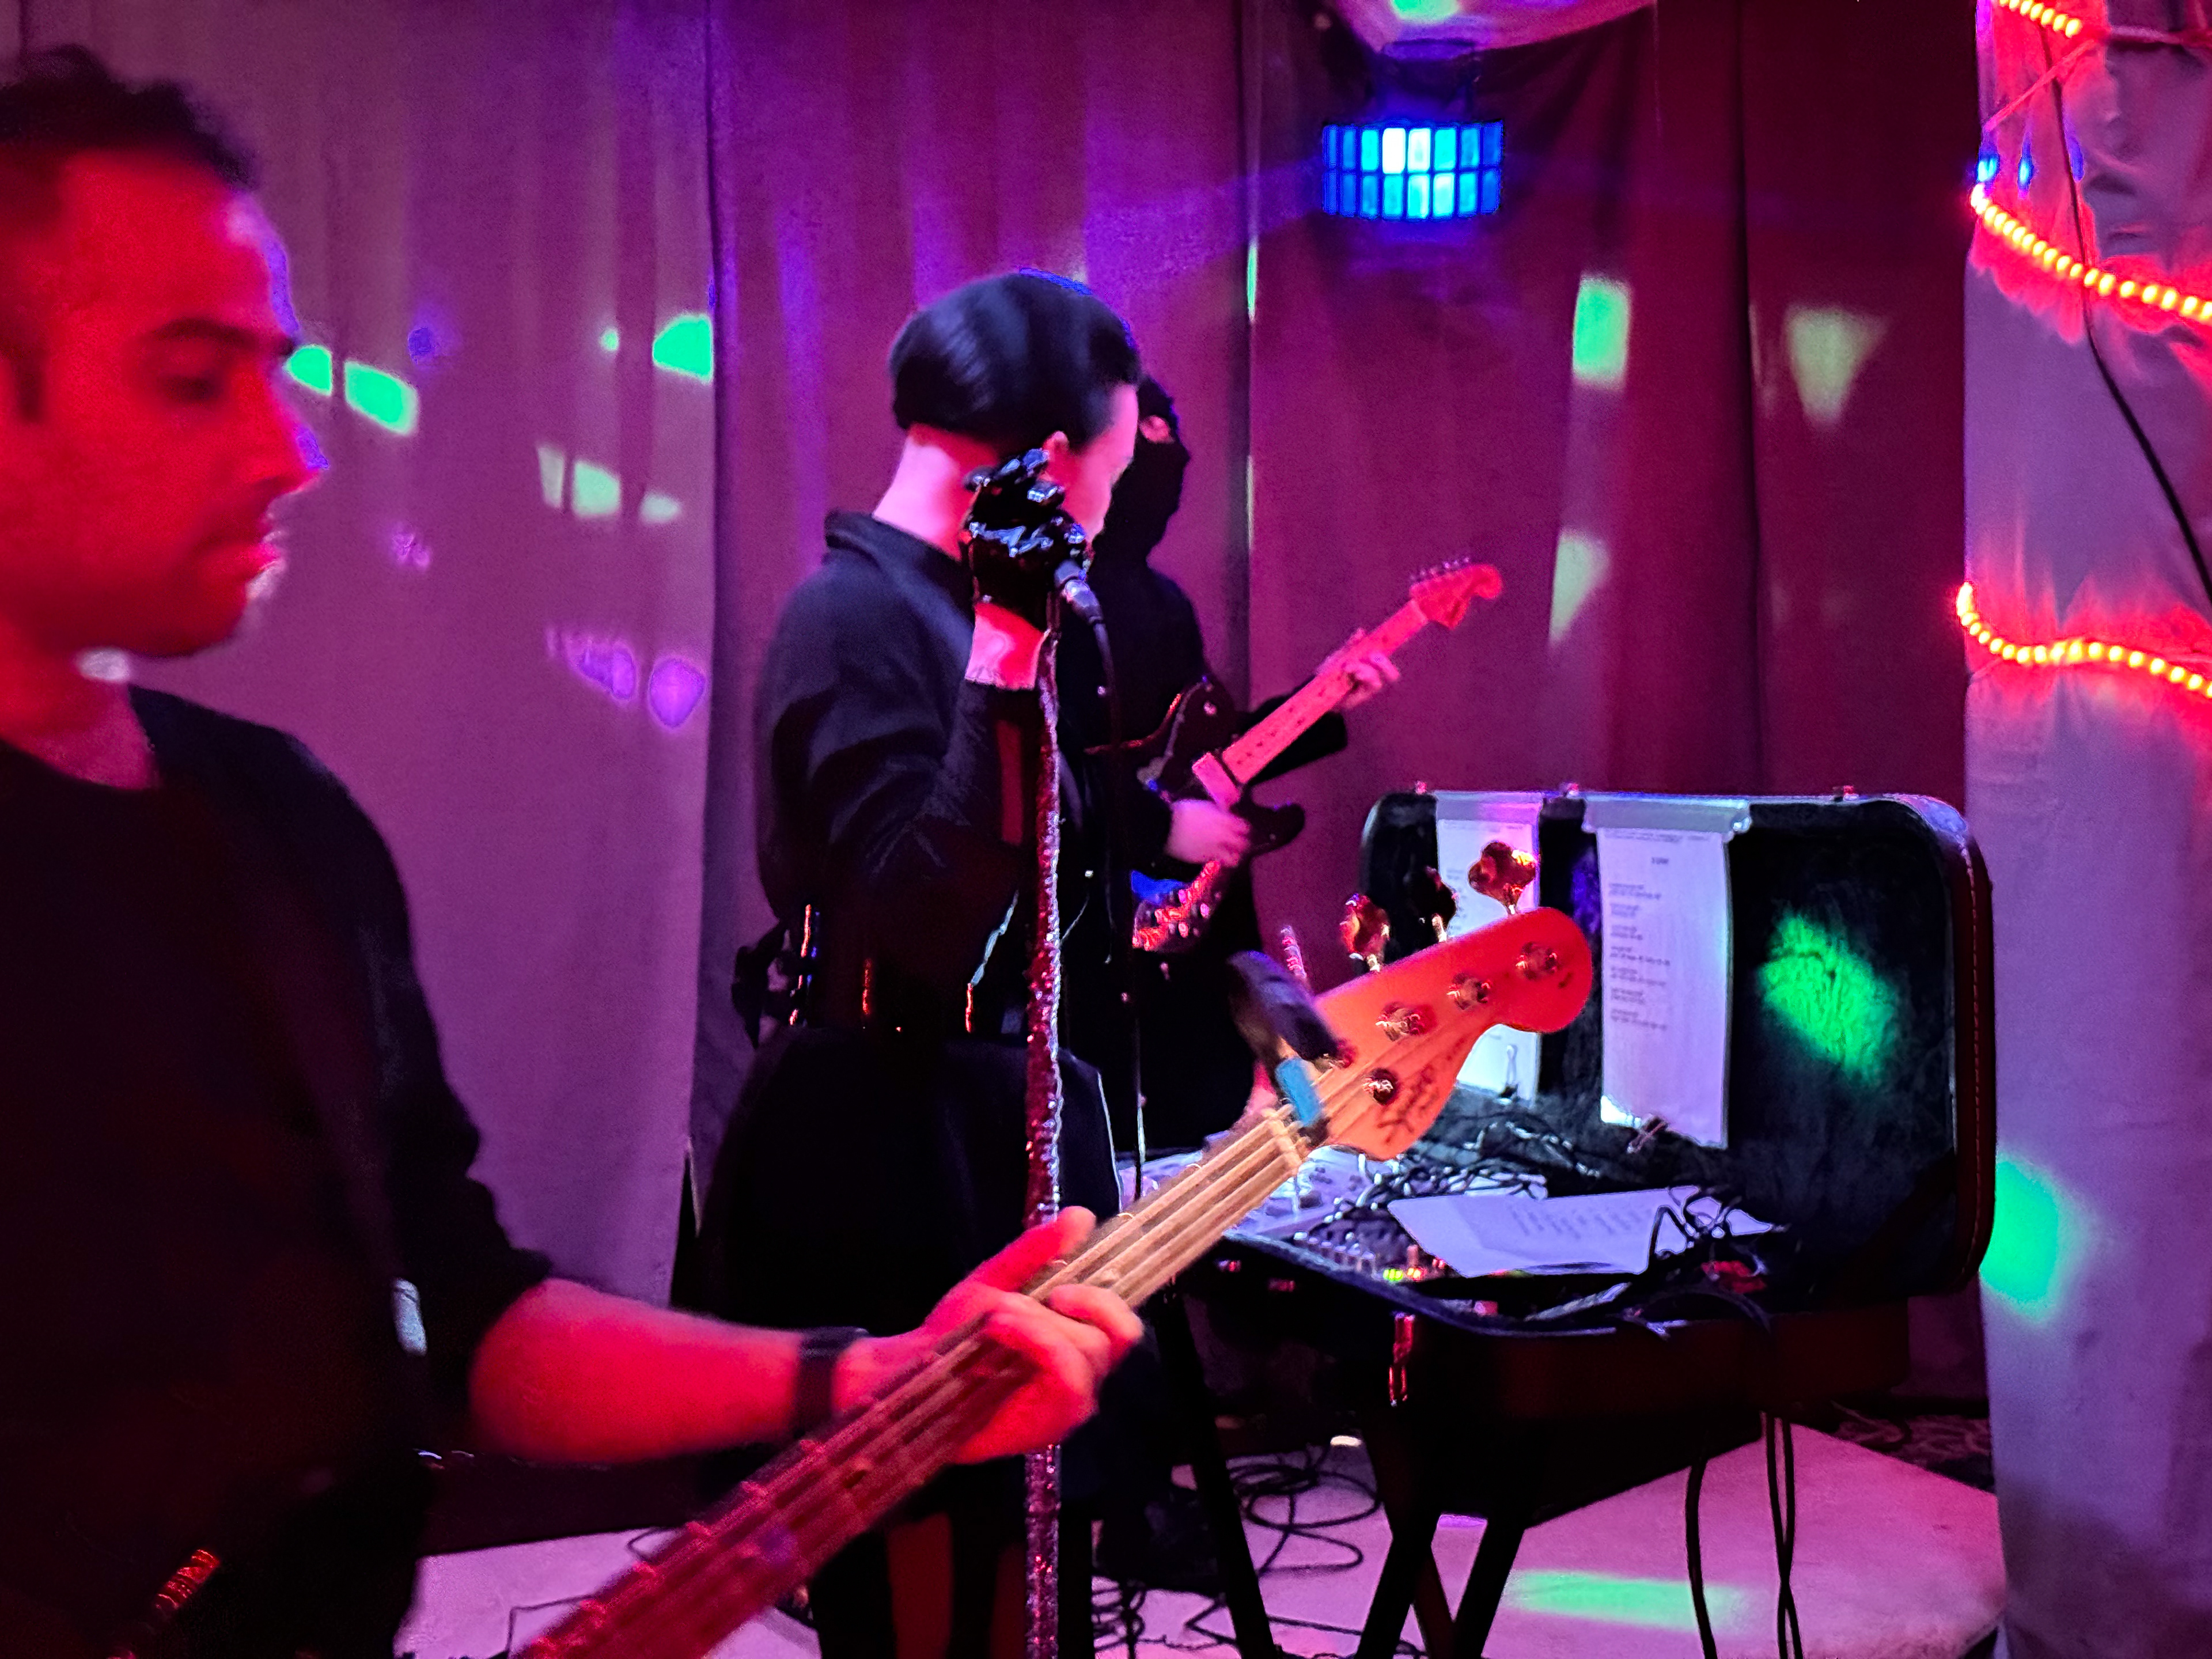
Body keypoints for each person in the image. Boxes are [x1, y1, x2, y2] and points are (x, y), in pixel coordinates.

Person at [0, 48, 1140, 1659]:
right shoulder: (854, 619)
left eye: (277, 369)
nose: (293, 449)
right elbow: (912, 902)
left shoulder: (279, 827)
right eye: (195, 376)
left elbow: (468, 1312)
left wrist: (870, 1383)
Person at [695, 271, 1162, 1656]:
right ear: (1050, 458)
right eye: (1112, 477)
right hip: (882, 1148)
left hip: (966, 1119)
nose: (1104, 517)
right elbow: (917, 919)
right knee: (920, 1579)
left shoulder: (958, 606)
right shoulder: (855, 620)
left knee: (1014, 1563)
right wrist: (1010, 653)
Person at [1060, 375, 1400, 1152]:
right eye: (1146, 434)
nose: (1170, 457)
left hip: (1185, 947)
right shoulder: (1052, 603)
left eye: (1172, 435)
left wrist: (1323, 700)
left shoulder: (1162, 603)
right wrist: (1161, 827)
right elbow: (1046, 769)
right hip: (1096, 934)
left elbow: (1205, 756)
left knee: (1193, 1128)